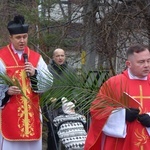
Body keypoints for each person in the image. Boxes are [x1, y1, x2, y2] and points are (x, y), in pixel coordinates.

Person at [0, 15, 53, 150]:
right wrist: (7, 91)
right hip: (9, 113)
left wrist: (35, 74)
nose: (22, 40)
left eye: (25, 36)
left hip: (32, 112)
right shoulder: (2, 57)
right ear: (10, 38)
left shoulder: (36, 58)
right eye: (18, 37)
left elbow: (48, 83)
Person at [84, 44, 150, 150]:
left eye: (148, 61)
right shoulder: (114, 84)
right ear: (129, 64)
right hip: (121, 143)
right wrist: (122, 115)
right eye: (141, 62)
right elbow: (97, 110)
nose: (147, 65)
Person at [45, 48, 75, 150]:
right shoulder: (47, 69)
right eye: (57, 56)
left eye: (62, 55)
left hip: (67, 105)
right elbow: (43, 87)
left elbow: (76, 87)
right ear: (53, 57)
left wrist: (73, 100)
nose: (60, 58)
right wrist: (49, 98)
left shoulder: (71, 70)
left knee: (68, 132)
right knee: (53, 132)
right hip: (51, 105)